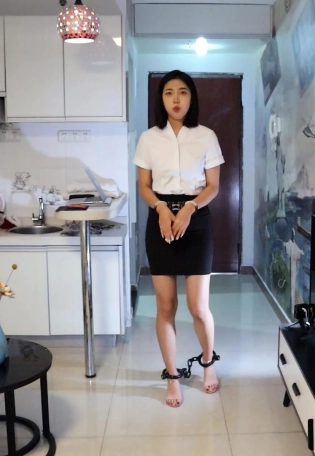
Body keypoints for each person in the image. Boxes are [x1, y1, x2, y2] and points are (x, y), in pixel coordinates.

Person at [133, 70, 225, 408]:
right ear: (161, 99)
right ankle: (172, 376)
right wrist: (160, 208)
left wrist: (189, 208)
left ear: (191, 98)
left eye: (183, 92)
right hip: (160, 220)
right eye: (169, 92)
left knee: (198, 307)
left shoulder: (206, 136)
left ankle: (208, 362)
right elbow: (144, 186)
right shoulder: (148, 138)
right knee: (166, 305)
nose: (176, 99)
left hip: (196, 221)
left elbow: (213, 186)